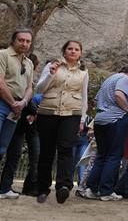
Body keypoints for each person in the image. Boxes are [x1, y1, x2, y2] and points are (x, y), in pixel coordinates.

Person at [35, 40, 88, 204]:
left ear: (80, 53)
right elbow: (39, 89)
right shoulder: (52, 65)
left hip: (71, 114)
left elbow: (84, 96)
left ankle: (63, 186)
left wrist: (83, 118)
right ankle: (43, 188)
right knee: (46, 151)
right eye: (70, 49)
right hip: (48, 112)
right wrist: (51, 74)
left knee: (66, 149)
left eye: (76, 49)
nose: (73, 51)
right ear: (64, 51)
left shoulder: (84, 72)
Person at [84, 65, 128, 201]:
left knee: (102, 155)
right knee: (114, 155)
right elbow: (119, 95)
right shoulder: (123, 79)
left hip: (100, 120)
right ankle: (106, 191)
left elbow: (96, 100)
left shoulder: (109, 80)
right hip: (115, 120)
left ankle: (91, 188)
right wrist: (127, 111)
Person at [0, 54, 40, 198]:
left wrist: (23, 104)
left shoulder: (28, 70)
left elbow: (28, 93)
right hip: (9, 110)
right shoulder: (5, 58)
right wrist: (15, 103)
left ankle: (5, 187)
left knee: (13, 154)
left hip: (18, 121)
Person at [0, 29, 34, 168]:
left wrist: (23, 103)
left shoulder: (29, 63)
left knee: (2, 149)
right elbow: (1, 83)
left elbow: (30, 88)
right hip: (2, 103)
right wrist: (13, 103)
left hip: (16, 109)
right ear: (13, 40)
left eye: (27, 41)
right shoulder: (3, 55)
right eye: (21, 40)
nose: (24, 44)